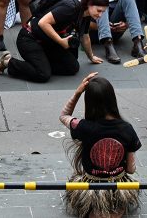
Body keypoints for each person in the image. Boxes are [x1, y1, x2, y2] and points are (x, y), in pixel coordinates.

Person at [59, 73, 141, 218]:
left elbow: (64, 115)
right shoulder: (127, 129)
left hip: (90, 186)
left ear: (89, 102)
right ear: (112, 100)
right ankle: (113, 209)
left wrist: (78, 92)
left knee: (94, 212)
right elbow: (131, 169)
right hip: (118, 186)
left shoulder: (83, 127)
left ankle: (97, 211)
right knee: (114, 211)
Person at [0, 0, 109, 83]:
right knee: (43, 75)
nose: (100, 15)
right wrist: (61, 41)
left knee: (73, 67)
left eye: (102, 12)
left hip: (47, 41)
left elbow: (85, 36)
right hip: (29, 38)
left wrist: (91, 56)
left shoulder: (86, 15)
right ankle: (8, 62)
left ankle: (40, 64)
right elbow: (43, 22)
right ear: (89, 4)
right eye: (99, 10)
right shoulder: (71, 7)